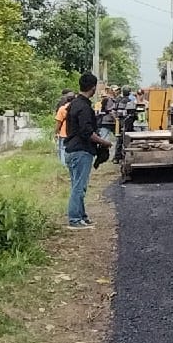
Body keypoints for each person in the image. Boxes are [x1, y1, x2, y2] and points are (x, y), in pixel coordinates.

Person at [63, 73, 112, 230]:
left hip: (71, 149)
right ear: (93, 87)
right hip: (81, 151)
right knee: (79, 186)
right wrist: (104, 142)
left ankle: (82, 216)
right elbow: (86, 132)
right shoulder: (84, 107)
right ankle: (75, 219)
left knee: (77, 185)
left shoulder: (74, 104)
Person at [53, 89, 73, 166]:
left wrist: (56, 132)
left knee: (62, 148)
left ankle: (64, 164)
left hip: (63, 132)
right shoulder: (77, 107)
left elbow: (58, 121)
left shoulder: (62, 108)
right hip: (73, 132)